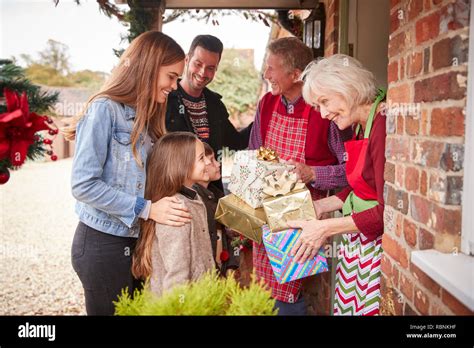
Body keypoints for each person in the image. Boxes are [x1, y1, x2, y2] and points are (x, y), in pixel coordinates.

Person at [63, 31, 191, 315]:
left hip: (133, 243)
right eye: (171, 76)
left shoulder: (147, 117)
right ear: (149, 66)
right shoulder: (103, 109)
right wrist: (146, 209)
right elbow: (83, 184)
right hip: (101, 246)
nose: (174, 85)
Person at [248, 37, 352, 315]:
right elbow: (254, 153)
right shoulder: (267, 104)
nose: (266, 75)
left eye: (272, 68)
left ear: (296, 75)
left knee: (295, 289)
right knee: (264, 290)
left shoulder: (325, 111)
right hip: (267, 210)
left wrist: (313, 173)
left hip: (309, 215)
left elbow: (351, 172)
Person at [289, 54, 387, 316]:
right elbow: (362, 185)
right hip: (358, 242)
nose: (322, 114)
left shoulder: (382, 126)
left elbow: (385, 213)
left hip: (376, 249)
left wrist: (325, 228)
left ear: (348, 89)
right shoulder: (360, 125)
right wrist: (322, 205)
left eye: (324, 102)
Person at [132, 132, 215, 296]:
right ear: (181, 165)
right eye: (201, 158)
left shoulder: (193, 197)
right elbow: (177, 277)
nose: (207, 162)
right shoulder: (175, 209)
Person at [166, 35, 252, 189]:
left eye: (211, 68)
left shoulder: (215, 105)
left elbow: (236, 142)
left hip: (211, 198)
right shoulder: (166, 100)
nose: (203, 72)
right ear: (187, 60)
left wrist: (263, 118)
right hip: (175, 199)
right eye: (198, 64)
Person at [193, 142, 240, 276]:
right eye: (211, 160)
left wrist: (231, 264)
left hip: (221, 270)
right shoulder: (195, 202)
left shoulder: (218, 196)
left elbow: (228, 236)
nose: (218, 164)